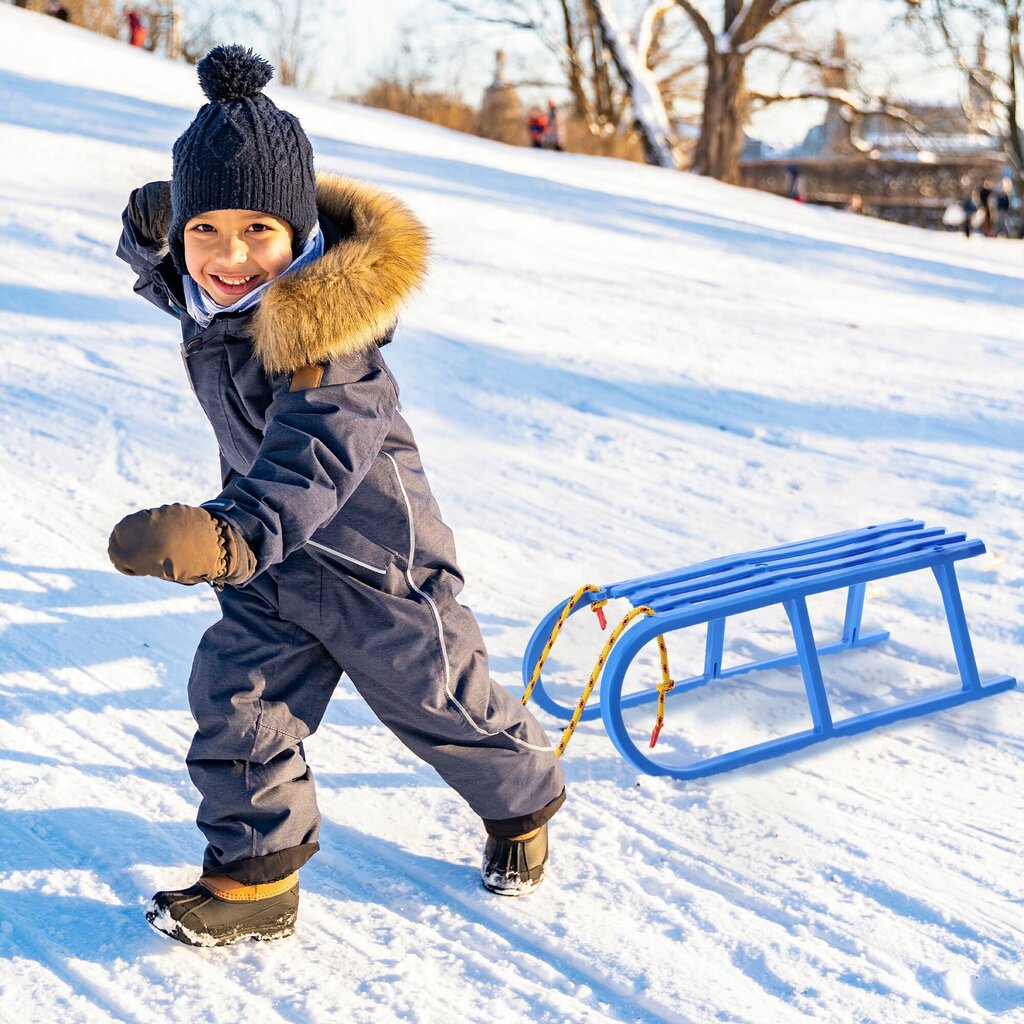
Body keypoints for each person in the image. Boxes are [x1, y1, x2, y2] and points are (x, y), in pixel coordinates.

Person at [110, 45, 566, 948]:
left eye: (257, 232)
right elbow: (178, 279)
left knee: (448, 710)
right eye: (205, 230)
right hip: (277, 571)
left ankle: (524, 805)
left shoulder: (333, 346)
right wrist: (151, 231)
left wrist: (229, 537)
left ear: (303, 235)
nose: (228, 258)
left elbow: (313, 459)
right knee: (235, 701)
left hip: (376, 570)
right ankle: (254, 883)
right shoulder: (221, 299)